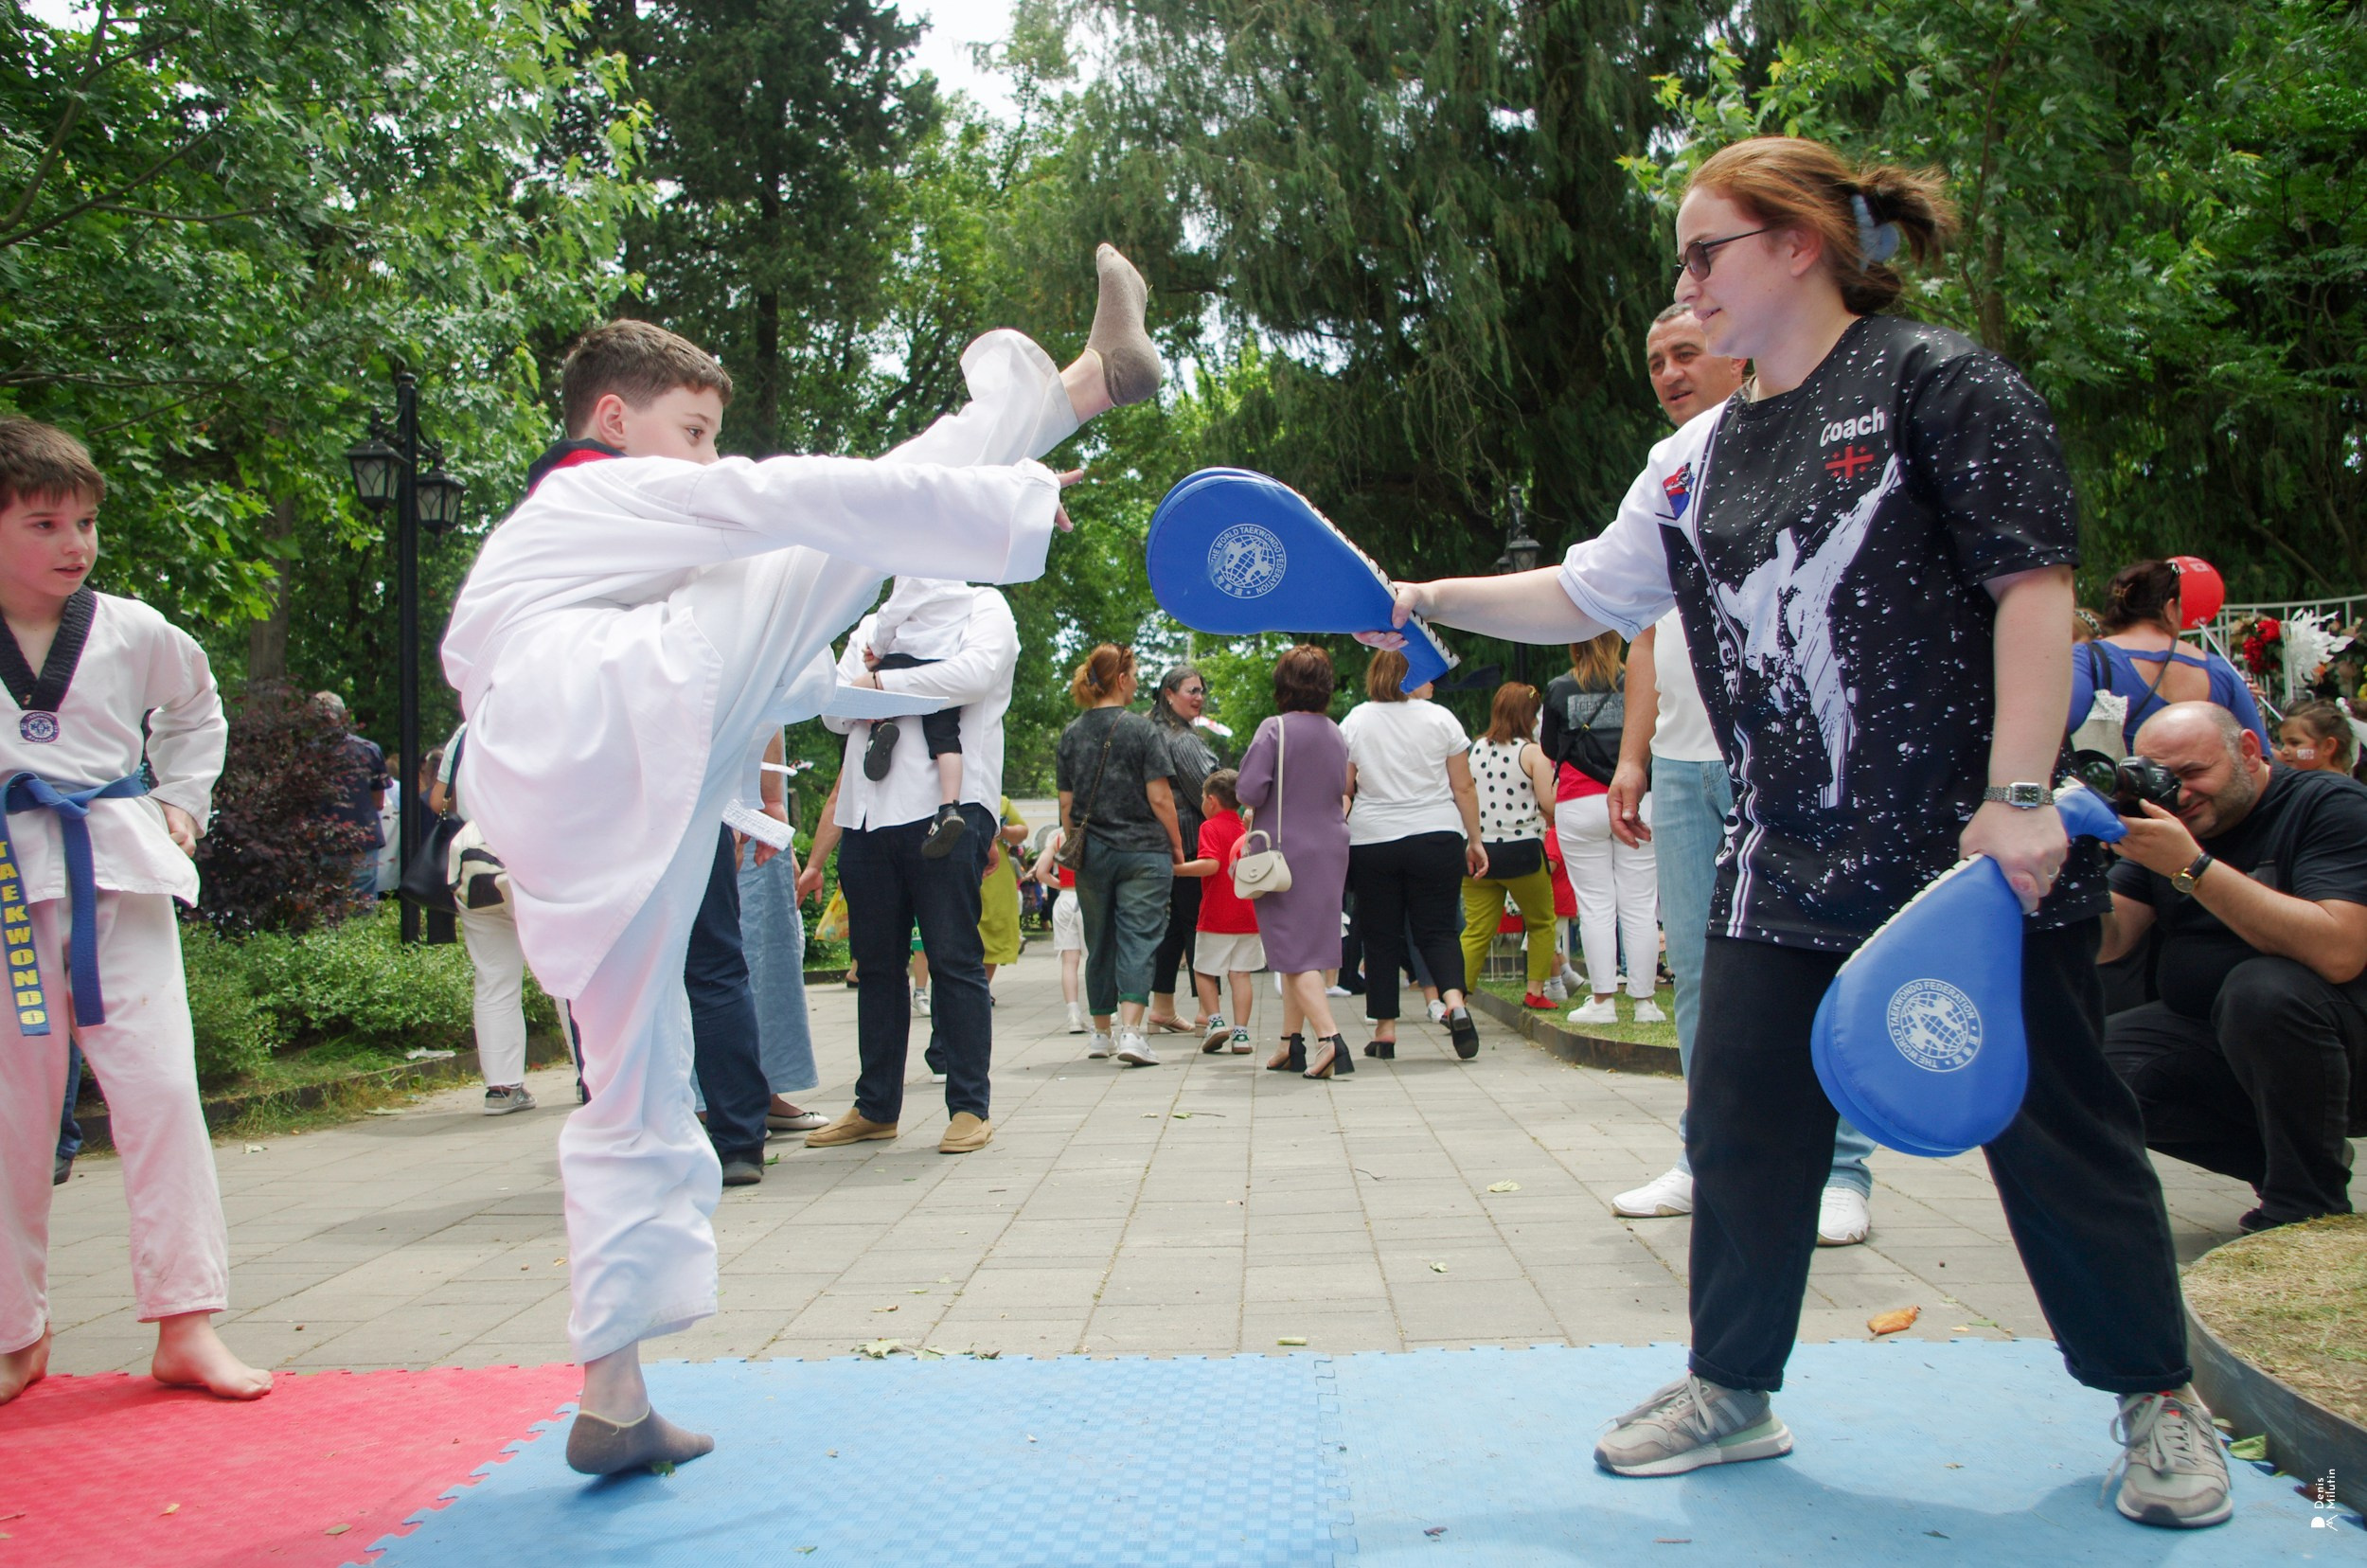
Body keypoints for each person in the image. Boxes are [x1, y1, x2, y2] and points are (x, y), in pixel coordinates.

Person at [1362, 137, 2226, 1526]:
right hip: (1784, 856)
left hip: (1968, 860)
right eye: (1683, 262)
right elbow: (1586, 590)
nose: (1686, 286)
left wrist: (2015, 801)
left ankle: (2158, 1399)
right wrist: (1420, 595)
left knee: (2056, 1129)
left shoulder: (1942, 388)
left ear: (1799, 247)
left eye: (1708, 254)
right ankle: (1731, 1390)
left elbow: (2034, 592)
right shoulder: (1698, 457)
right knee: (1745, 1130)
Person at [442, 243, 1154, 1475]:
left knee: (632, 1085)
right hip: (600, 717)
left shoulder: (574, 550)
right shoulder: (583, 490)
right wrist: (1010, 498)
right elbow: (783, 495)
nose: (710, 455)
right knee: (808, 532)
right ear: (611, 419)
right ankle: (1087, 379)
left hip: (582, 784)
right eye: (694, 428)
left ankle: (611, 1398)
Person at [0, 416, 267, 1406]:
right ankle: (15, 1334)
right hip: (5, 883)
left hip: (116, 871)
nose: (73, 544)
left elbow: (197, 713)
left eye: (84, 523)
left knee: (158, 1094)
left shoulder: (132, 628)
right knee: (11, 1117)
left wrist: (181, 803)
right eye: (43, 524)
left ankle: (186, 1323)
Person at [1603, 304, 1877, 1244]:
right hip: (1682, 768)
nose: (1669, 371)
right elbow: (1639, 634)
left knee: (1814, 960)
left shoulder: (1800, 449)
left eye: (1686, 351)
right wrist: (1633, 755)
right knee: (1700, 972)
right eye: (1653, 361)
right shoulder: (1669, 477)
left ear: (1736, 351)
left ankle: (1838, 1171)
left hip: (1789, 762)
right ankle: (1705, 1151)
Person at [2101, 702, 2367, 1232]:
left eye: (2195, 773)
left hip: (2340, 1042)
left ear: (2249, 751)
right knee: (2089, 1070)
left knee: (2262, 990)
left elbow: (2340, 951)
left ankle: (2307, 1207)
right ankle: (2289, 1163)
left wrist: (2192, 867)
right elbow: (2110, 941)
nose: (2181, 793)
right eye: (2162, 779)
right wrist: (2066, 874)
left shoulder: (2330, 805)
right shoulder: (2172, 825)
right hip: (2218, 1037)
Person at [815, 559, 1036, 1147]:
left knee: (954, 959)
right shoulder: (872, 623)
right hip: (865, 813)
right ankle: (875, 1106)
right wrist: (896, 684)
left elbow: (973, 676)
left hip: (948, 809)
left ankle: (969, 1106)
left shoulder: (982, 605)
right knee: (876, 966)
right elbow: (834, 710)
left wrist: (880, 684)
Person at [1338, 650, 1485, 1060]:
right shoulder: (1440, 719)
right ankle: (1454, 1003)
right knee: (1437, 930)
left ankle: (1385, 1032)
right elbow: (1464, 787)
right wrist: (1474, 839)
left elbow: (1344, 789)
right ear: (1410, 677)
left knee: (1381, 935)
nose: (1433, 682)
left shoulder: (1356, 720)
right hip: (1436, 835)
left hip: (1374, 840)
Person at [1056, 645, 1185, 1066]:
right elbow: (1161, 797)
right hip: (1144, 852)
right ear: (1123, 679)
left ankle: (1100, 1033)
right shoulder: (1143, 730)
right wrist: (1177, 845)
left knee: (1100, 939)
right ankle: (1132, 1033)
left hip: (1093, 852)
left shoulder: (1072, 733)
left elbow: (1065, 804)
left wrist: (1075, 840)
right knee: (1139, 938)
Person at [1237, 645, 1354, 1076]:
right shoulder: (1335, 732)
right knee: (1301, 949)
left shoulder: (1275, 729)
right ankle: (1291, 1041)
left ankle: (1330, 1040)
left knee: (1294, 951)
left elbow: (1248, 790)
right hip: (1330, 848)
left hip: (1285, 853)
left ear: (1282, 685)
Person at [1542, 633, 1663, 1025]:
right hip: (1635, 796)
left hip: (1580, 800)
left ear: (1575, 645)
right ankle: (1645, 1002)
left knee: (1595, 905)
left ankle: (1602, 1000)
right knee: (1640, 903)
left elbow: (1548, 747)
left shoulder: (1560, 688)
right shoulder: (1641, 682)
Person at [430, 722, 534, 1115]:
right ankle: (590, 1077)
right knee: (565, 971)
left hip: (472, 861)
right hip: (527, 852)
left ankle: (501, 1088)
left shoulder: (467, 727)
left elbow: (438, 799)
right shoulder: (548, 705)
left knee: (493, 978)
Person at [2070, 560, 2271, 752]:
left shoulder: (2089, 659)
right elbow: (2257, 751)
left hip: (2114, 785)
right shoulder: (2217, 669)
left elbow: (2059, 724)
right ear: (2170, 609)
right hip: (2200, 787)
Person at [738, 731, 824, 1135]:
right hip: (702, 798)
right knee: (722, 959)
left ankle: (766, 1089)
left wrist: (774, 809)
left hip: (757, 807)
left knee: (769, 951)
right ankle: (715, 1098)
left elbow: (768, 714)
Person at [858, 577, 978, 860]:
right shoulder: (959, 579)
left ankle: (881, 728)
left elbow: (891, 615)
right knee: (947, 741)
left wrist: (877, 649)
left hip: (909, 653)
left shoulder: (914, 568)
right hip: (945, 662)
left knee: (867, 690)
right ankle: (949, 807)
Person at [1460, 683, 1558, 1008]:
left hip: (1479, 850)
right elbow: (1548, 802)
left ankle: (1457, 997)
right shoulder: (1531, 752)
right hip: (1521, 851)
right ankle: (1535, 992)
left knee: (1477, 930)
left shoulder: (1474, 749)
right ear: (1528, 714)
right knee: (1542, 921)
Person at [1145, 664, 1219, 1034]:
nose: (1199, 697)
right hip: (1190, 843)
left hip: (1155, 842)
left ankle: (1161, 1007)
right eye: (1191, 690)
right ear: (1169, 694)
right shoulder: (1182, 740)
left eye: (1201, 690)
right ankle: (1209, 1010)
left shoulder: (1147, 731)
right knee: (1198, 923)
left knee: (1174, 925)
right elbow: (1211, 791)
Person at [1177, 768, 1260, 1053]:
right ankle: (1241, 1034)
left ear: (1211, 800)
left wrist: (1176, 869)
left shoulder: (1209, 827)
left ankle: (1214, 1021)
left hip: (1216, 915)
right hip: (1248, 915)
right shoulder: (1245, 828)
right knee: (1241, 975)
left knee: (1203, 969)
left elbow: (1211, 864)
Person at [314, 690, 389, 901]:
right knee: (362, 905)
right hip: (362, 839)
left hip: (322, 843)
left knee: (324, 908)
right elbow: (379, 802)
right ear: (343, 717)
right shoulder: (369, 750)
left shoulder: (306, 755)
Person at [1031, 824, 1089, 1031]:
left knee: (1069, 961)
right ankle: (1107, 1011)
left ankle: (1073, 1014)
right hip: (1088, 898)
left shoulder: (1058, 838)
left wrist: (1059, 884)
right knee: (1096, 958)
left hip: (1065, 899)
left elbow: (1040, 872)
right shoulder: (1094, 833)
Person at [2276, 699, 2358, 778]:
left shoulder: (2340, 790)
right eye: (2283, 743)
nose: (2284, 751)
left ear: (2328, 746)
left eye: (2294, 743)